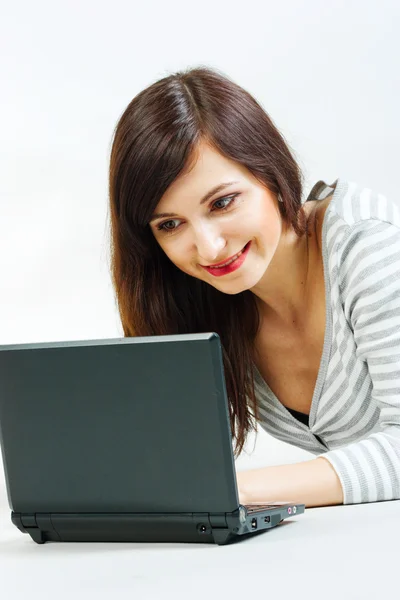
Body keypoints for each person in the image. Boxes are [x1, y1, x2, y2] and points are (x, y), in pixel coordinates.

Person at [107, 65, 400, 508]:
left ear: (269, 170)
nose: (208, 248)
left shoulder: (366, 245)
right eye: (170, 224)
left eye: (222, 202)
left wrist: (235, 491)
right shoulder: (206, 301)